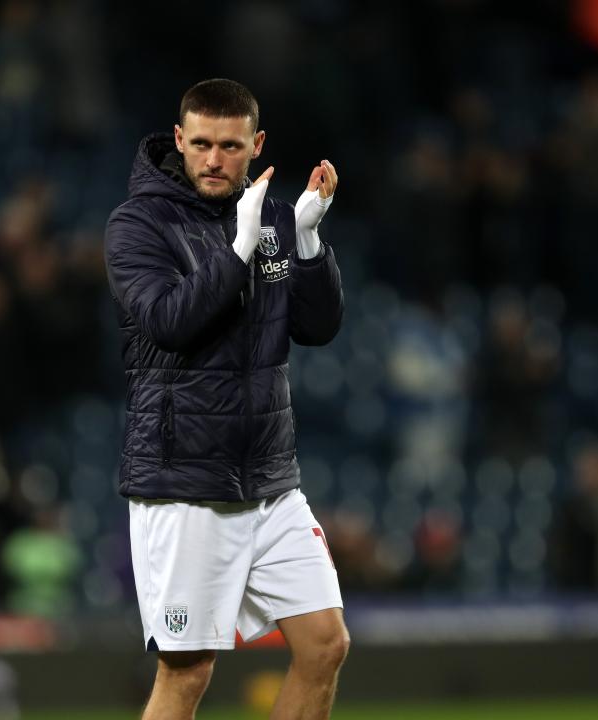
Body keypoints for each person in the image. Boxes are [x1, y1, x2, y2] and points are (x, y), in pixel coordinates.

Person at [104, 78, 348, 719]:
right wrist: (239, 251)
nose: (214, 159)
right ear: (180, 140)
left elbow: (317, 328)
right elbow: (168, 323)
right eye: (203, 143)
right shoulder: (138, 224)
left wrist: (306, 241)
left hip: (269, 477)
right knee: (186, 675)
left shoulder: (268, 214)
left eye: (231, 146)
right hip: (185, 482)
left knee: (324, 645)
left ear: (256, 144)